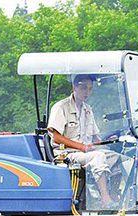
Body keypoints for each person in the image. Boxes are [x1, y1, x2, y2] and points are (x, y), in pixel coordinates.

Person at [47, 74, 115, 207]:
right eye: (84, 88)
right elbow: (56, 136)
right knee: (99, 156)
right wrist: (81, 147)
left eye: (90, 89)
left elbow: (96, 138)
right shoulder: (61, 107)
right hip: (67, 154)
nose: (87, 92)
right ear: (74, 87)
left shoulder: (88, 110)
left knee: (119, 157)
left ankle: (120, 197)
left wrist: (109, 140)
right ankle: (105, 200)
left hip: (86, 153)